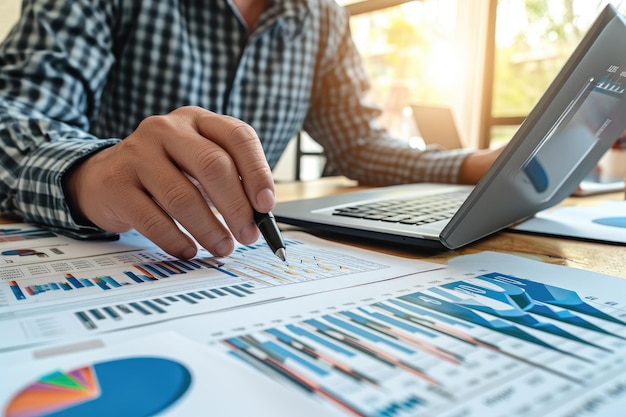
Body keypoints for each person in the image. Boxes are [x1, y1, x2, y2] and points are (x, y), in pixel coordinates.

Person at [0, 0, 500, 260]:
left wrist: (477, 163)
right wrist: (89, 173)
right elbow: (14, 114)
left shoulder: (323, 17)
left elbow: (361, 146)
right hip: (114, 246)